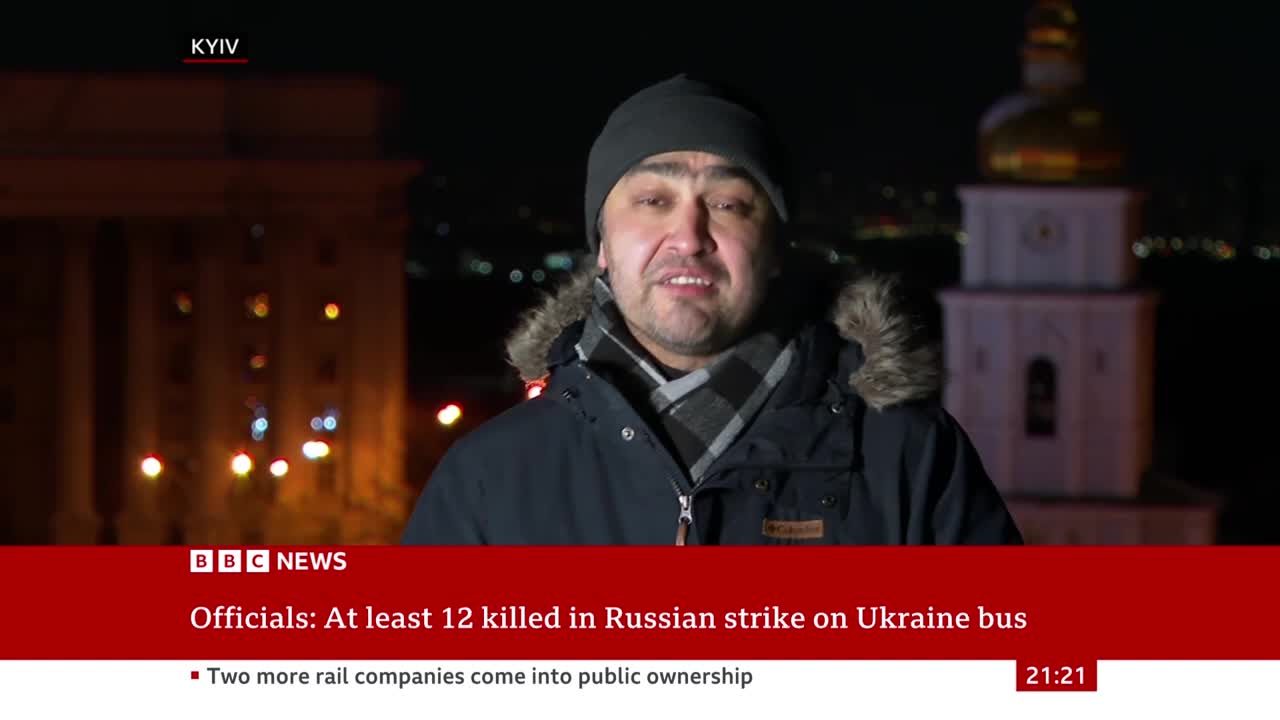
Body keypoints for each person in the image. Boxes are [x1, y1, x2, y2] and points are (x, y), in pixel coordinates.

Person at [401, 74, 1023, 546]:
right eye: (651, 199)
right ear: (602, 248)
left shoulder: (909, 460)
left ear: (776, 248)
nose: (689, 235)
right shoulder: (491, 479)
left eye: (727, 204)